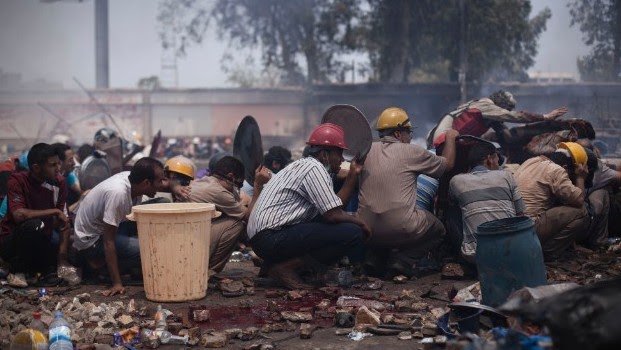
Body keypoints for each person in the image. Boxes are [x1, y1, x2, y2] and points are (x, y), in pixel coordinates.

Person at [247, 123, 370, 289]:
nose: (342, 159)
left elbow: (334, 206)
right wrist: (360, 223)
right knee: (353, 232)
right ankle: (287, 267)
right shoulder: (314, 168)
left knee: (333, 223)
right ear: (324, 154)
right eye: (339, 153)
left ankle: (272, 265)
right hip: (271, 237)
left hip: (263, 238)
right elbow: (333, 215)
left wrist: (352, 175)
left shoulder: (303, 166)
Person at [357, 107, 458, 277]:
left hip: (365, 230)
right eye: (408, 133)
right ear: (398, 134)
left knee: (377, 214)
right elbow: (447, 165)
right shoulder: (413, 152)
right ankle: (403, 261)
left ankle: (374, 258)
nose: (410, 137)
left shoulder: (364, 152)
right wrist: (450, 138)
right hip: (401, 228)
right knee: (438, 229)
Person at [72, 157, 167, 296]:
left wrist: (176, 187)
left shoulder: (134, 181)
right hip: (93, 240)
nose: (162, 185)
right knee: (149, 249)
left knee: (163, 203)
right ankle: (98, 266)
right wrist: (117, 283)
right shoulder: (118, 193)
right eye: (159, 181)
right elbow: (108, 240)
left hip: (116, 224)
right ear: (146, 183)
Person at [168, 155, 269, 275]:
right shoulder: (218, 192)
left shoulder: (204, 182)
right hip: (185, 243)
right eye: (238, 185)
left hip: (178, 239)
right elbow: (249, 218)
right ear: (230, 177)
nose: (237, 189)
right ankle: (208, 271)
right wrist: (258, 186)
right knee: (236, 224)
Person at [0, 143, 71, 286]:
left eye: (58, 163)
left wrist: (62, 259)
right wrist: (54, 211)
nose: (58, 169)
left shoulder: (59, 183)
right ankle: (16, 268)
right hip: (12, 243)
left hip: (42, 239)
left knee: (53, 240)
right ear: (36, 168)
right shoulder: (18, 181)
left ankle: (37, 271)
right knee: (34, 225)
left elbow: (63, 221)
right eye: (52, 165)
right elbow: (18, 215)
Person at [447, 142, 524, 263]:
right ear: (489, 158)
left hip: (475, 256)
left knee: (452, 211)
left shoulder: (456, 181)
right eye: (498, 160)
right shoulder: (507, 176)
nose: (498, 164)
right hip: (510, 252)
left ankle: (462, 254)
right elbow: (520, 215)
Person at [514, 142, 589, 259]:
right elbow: (579, 200)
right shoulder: (557, 170)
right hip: (530, 228)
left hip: (514, 227)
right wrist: (580, 178)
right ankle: (548, 252)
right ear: (564, 167)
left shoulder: (531, 162)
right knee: (581, 212)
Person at [428, 90, 568, 148]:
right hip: (441, 141)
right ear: (500, 104)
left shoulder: (489, 113)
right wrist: (545, 117)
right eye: (507, 108)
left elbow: (507, 136)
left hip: (448, 141)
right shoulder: (486, 106)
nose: (507, 112)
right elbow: (516, 116)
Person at [576, 139, 621, 248]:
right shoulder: (598, 168)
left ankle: (598, 241)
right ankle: (598, 240)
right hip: (576, 217)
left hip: (577, 219)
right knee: (603, 192)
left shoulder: (598, 167)